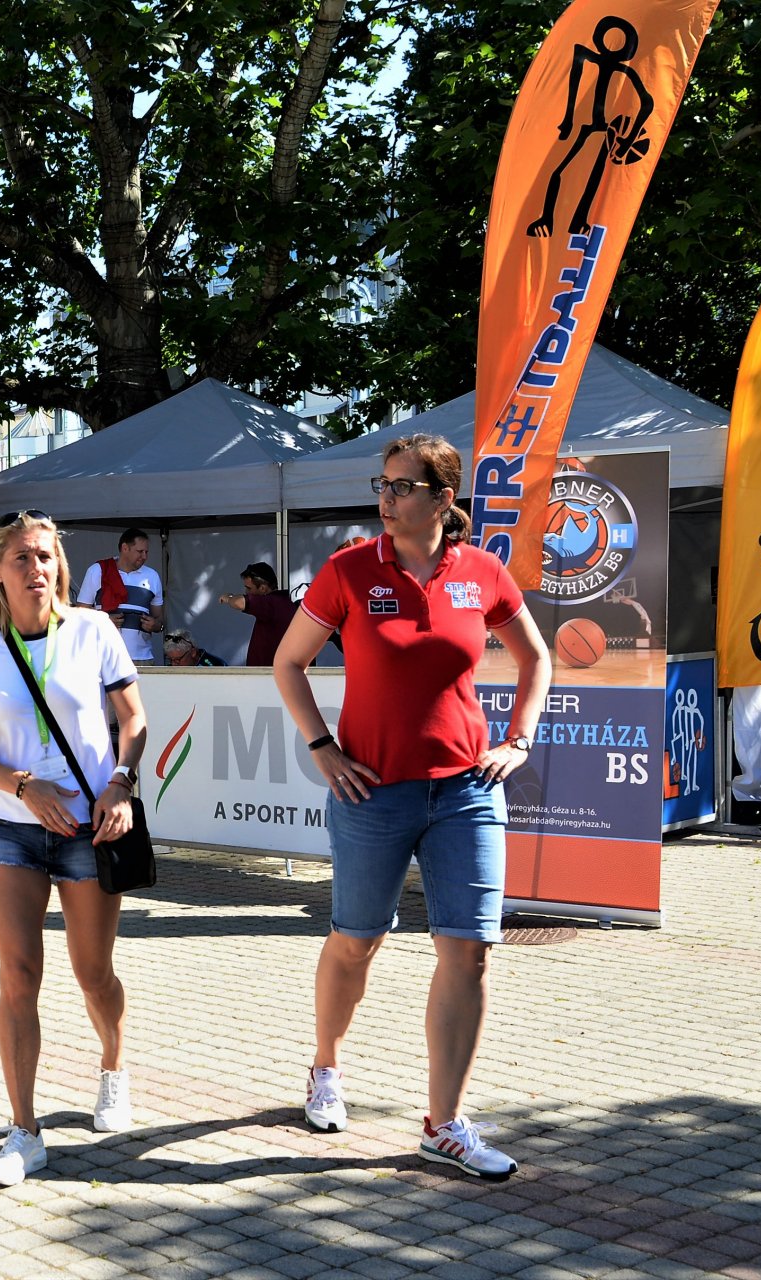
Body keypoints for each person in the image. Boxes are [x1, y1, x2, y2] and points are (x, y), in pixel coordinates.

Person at [272, 434, 550, 1181]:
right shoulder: (350, 570)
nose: (386, 498)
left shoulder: (482, 572)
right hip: (372, 790)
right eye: (383, 484)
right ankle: (326, 1065)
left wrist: (519, 739)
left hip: (466, 789)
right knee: (357, 939)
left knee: (470, 949)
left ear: (443, 497)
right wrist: (322, 747)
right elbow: (289, 662)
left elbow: (536, 657)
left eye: (402, 486)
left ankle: (444, 1124)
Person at [0, 510, 149, 1187]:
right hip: (12, 826)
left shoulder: (93, 630)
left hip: (91, 829)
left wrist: (120, 784)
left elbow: (134, 719)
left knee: (94, 973)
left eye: (46, 557)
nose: (37, 569)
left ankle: (113, 1064)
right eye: (23, 559)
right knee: (18, 977)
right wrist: (22, 786)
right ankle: (24, 1131)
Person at [76, 527, 165, 665]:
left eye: (146, 552)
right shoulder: (98, 571)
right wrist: (103, 620)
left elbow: (160, 620)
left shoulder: (152, 576)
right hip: (103, 657)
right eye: (140, 551)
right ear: (125, 548)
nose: (144, 557)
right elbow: (80, 614)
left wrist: (155, 626)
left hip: (141, 658)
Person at [220, 561, 298, 666]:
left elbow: (240, 603)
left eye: (249, 588)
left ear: (263, 588)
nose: (246, 592)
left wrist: (228, 598)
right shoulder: (285, 602)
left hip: (266, 677)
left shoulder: (270, 602)